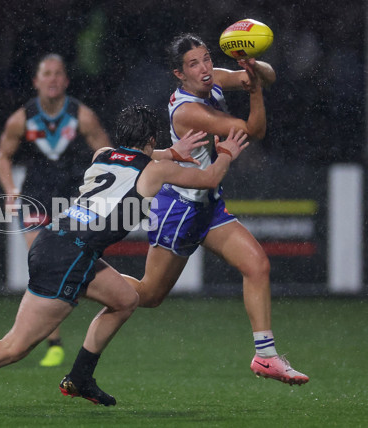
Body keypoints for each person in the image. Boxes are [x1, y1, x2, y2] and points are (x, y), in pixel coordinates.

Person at [0, 104, 249, 414]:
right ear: (150, 139)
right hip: (68, 257)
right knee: (15, 346)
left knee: (126, 298)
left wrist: (170, 151)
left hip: (55, 243)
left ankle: (80, 377)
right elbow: (209, 178)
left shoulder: (102, 154)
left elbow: (133, 157)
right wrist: (226, 153)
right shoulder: (156, 171)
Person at [100, 34, 305, 385]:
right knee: (149, 295)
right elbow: (253, 130)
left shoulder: (212, 81)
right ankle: (78, 274)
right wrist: (255, 91)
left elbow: (268, 76)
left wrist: (255, 67)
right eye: (194, 64)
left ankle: (266, 357)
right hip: (180, 209)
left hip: (207, 206)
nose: (205, 68)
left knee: (257, 265)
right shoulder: (189, 111)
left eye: (207, 58)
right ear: (180, 74)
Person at [0, 53, 111, 368]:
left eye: (58, 73)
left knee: (73, 266)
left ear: (66, 80)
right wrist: (10, 190)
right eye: (47, 73)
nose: (53, 79)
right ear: (36, 81)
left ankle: (64, 314)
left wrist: (102, 189)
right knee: (45, 266)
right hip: (35, 199)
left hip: (72, 202)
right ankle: (52, 341)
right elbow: (3, 156)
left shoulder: (82, 116)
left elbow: (106, 154)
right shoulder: (22, 118)